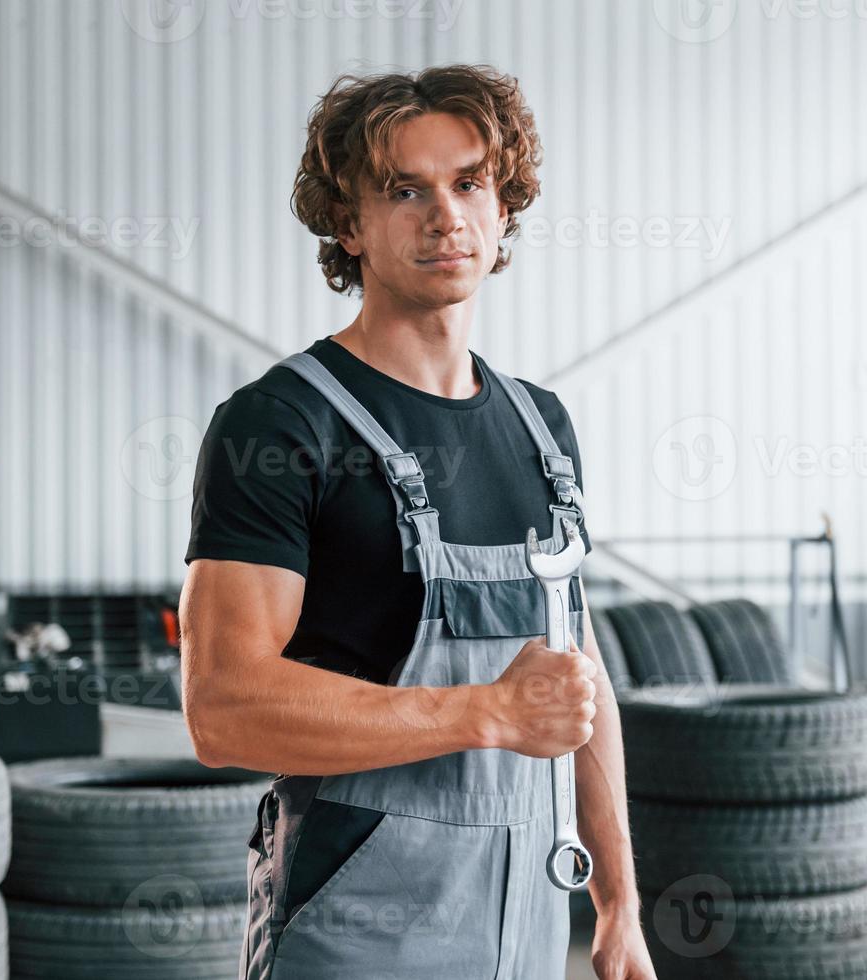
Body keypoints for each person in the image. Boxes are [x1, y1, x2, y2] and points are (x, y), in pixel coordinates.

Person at [179, 64, 655, 980]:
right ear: (348, 226)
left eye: (470, 181)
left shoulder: (540, 427)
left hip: (525, 921)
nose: (446, 216)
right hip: (358, 924)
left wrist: (619, 903)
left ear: (503, 206)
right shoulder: (279, 424)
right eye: (406, 190)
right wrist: (485, 712)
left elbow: (576, 680)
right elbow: (223, 710)